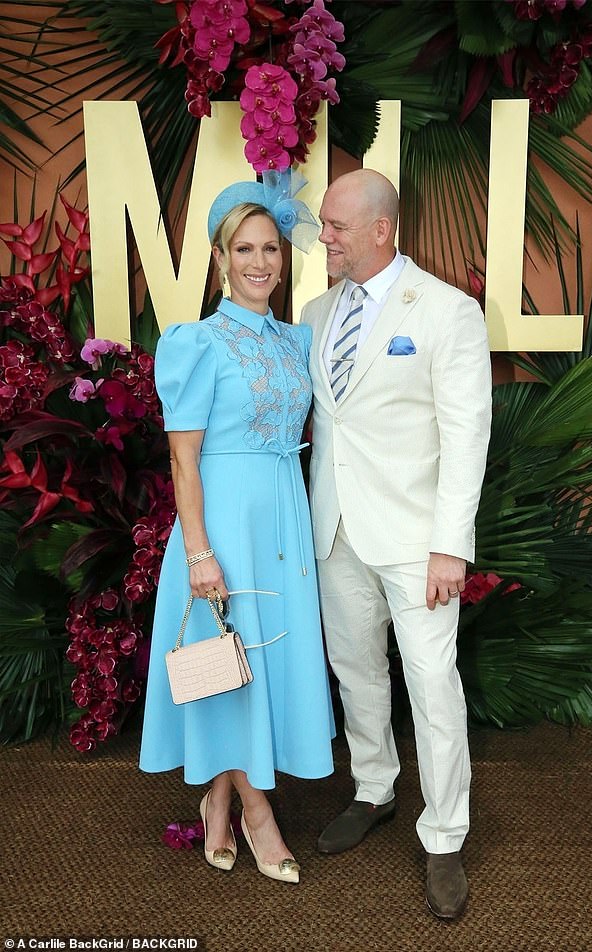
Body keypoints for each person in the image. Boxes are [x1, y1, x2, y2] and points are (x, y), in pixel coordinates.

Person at [300, 168, 492, 919]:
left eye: (336, 227)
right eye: (323, 225)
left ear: (382, 229)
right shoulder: (315, 313)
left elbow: (466, 435)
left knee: (432, 688)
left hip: (418, 542)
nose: (325, 239)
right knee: (355, 672)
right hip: (335, 530)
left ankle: (445, 837)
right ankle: (374, 787)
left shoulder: (448, 312)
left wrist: (452, 545)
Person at [140, 170, 335, 885]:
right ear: (220, 259)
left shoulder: (294, 339)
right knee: (229, 662)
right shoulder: (195, 342)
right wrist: (198, 551)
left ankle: (215, 801)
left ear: (284, 258)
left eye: (271, 250)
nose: (259, 263)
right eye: (243, 250)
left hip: (282, 516)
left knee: (250, 666)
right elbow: (182, 457)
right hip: (220, 522)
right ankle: (258, 814)